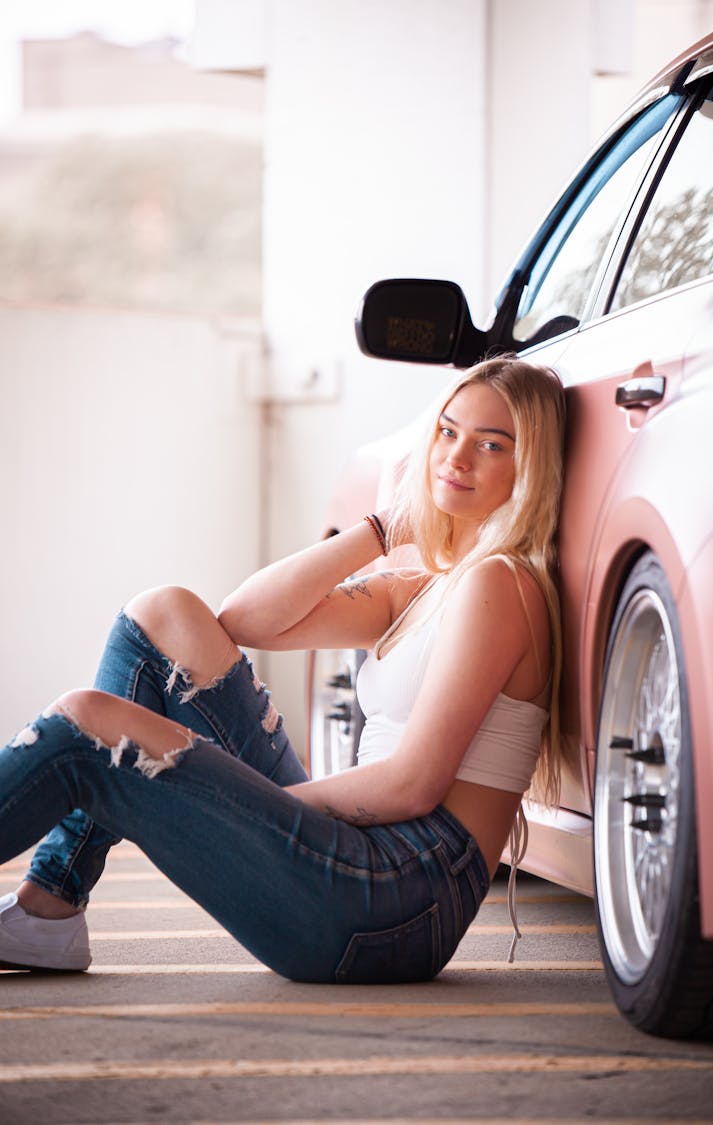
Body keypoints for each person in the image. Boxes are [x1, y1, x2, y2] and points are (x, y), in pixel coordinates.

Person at [0, 353, 565, 983]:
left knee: (89, 722)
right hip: (358, 863)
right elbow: (243, 619)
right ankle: (49, 906)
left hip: (395, 900)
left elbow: (413, 785)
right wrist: (381, 529)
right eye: (448, 431)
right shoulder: (422, 589)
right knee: (163, 614)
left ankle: (48, 904)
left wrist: (257, 809)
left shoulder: (502, 584)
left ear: (531, 469)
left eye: (491, 445)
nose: (456, 458)